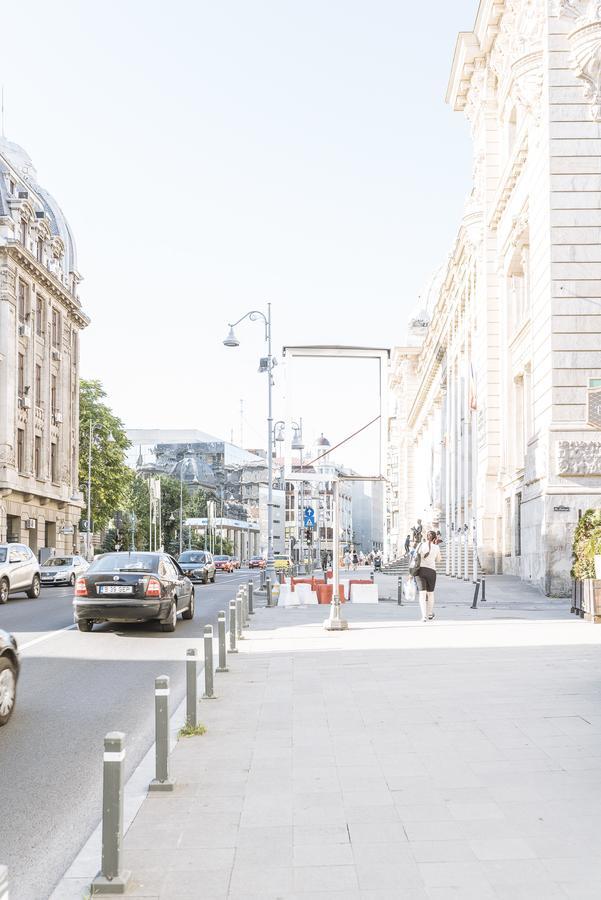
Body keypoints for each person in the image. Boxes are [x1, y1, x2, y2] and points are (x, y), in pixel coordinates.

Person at [414, 529, 441, 622]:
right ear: (434, 538)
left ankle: (424, 616)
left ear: (427, 537)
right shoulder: (436, 547)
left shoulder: (421, 545)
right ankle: (430, 614)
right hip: (432, 572)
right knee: (430, 594)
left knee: (422, 594)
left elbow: (415, 557)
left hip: (421, 571)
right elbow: (438, 560)